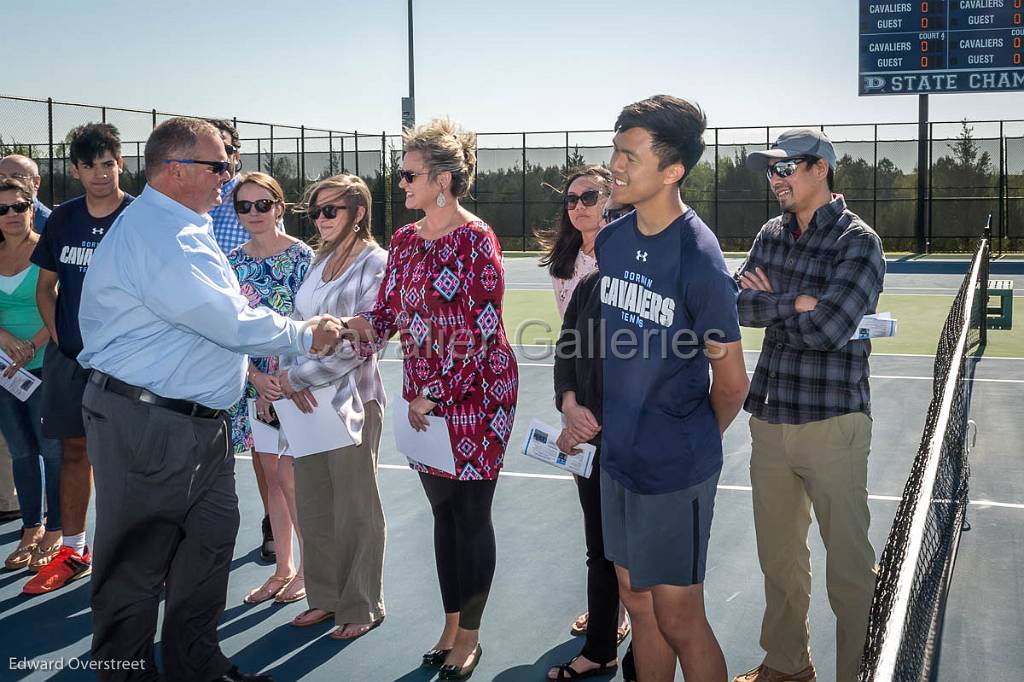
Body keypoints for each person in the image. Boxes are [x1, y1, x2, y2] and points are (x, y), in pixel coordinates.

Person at [77, 116, 345, 682]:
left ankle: (197, 666)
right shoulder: (160, 234)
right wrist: (305, 332)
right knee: (137, 565)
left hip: (196, 424)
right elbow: (224, 319)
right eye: (218, 165)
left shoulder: (186, 224)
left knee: (208, 549)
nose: (229, 174)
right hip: (148, 423)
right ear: (176, 171)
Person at [342, 117, 518, 681]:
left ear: (442, 179)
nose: (400, 183)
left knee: (470, 516)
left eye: (408, 173)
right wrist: (354, 327)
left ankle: (471, 633)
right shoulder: (403, 240)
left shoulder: (477, 239)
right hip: (424, 399)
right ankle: (449, 625)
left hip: (477, 397)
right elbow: (390, 311)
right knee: (443, 514)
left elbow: (481, 328)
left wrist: (435, 395)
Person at [594, 95, 749, 682]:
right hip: (618, 458)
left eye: (629, 155)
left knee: (680, 615)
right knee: (635, 597)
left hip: (674, 468)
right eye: (615, 151)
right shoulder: (610, 241)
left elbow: (732, 383)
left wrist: (683, 443)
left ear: (672, 170)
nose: (615, 164)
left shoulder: (700, 260)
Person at [733, 129, 885, 682]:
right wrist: (792, 301)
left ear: (821, 168)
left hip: (833, 423)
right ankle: (786, 667)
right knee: (779, 560)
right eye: (770, 170)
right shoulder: (771, 232)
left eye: (786, 167)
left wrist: (775, 303)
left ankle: (858, 675)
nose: (776, 179)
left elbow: (830, 327)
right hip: (771, 420)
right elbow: (736, 303)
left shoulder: (858, 241)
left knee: (847, 570)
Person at [24, 123, 134, 595]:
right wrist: (59, 336)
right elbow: (45, 288)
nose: (100, 174)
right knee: (73, 451)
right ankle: (74, 550)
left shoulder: (139, 217)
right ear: (74, 170)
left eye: (107, 163)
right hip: (70, 360)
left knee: (127, 459)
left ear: (121, 163)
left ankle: (131, 551)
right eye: (89, 165)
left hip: (128, 364)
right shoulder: (63, 219)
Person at [280, 174, 389, 640]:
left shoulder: (376, 263)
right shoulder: (316, 260)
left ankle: (362, 602)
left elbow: (364, 341)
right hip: (304, 406)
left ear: (358, 214)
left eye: (332, 211)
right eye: (316, 211)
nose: (321, 220)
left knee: (355, 508)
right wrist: (282, 378)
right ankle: (324, 598)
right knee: (314, 506)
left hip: (352, 404)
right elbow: (297, 327)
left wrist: (294, 378)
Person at [221, 172, 313, 606]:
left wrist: (283, 381)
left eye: (263, 204)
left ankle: (312, 571)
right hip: (255, 388)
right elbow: (227, 330)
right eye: (244, 206)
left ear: (279, 206)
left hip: (295, 386)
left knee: (294, 480)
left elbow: (310, 325)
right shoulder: (231, 262)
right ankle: (284, 569)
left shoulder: (302, 257)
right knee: (271, 478)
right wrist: (256, 381)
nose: (253, 214)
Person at [206, 119, 275, 562]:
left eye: (226, 151)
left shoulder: (251, 199)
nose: (252, 212)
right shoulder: (194, 207)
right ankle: (208, 537)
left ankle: (276, 527)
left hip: (255, 353)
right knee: (212, 454)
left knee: (268, 454)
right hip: (203, 351)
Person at [0, 178, 62, 572]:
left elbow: (61, 301)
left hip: (45, 364)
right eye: (0, 210)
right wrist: (4, 338)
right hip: (3, 371)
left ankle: (56, 530)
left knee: (52, 452)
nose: (9, 216)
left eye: (17, 207)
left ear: (31, 207)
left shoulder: (47, 247)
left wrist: (33, 344)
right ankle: (30, 528)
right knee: (21, 452)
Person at [538, 165, 612, 319]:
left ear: (610, 200)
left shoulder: (627, 255)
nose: (579, 206)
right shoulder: (563, 262)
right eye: (571, 200)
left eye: (589, 197)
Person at [0, 154, 52, 233]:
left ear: (36, 182)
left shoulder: (52, 224)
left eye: (16, 176)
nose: (6, 182)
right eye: (1, 177)